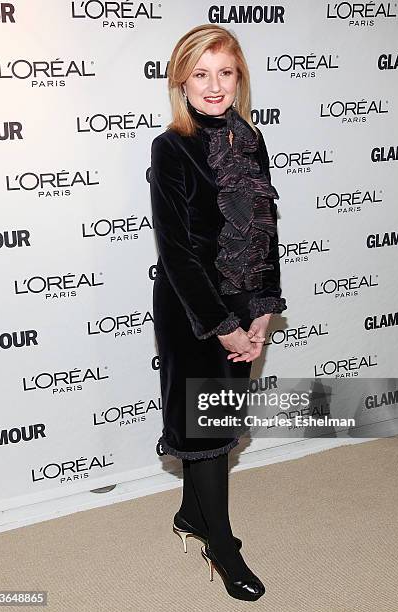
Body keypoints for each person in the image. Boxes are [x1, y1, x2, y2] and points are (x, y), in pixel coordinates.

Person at [149, 24, 287, 601]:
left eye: (224, 72)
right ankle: (222, 545)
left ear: (239, 78)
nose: (213, 85)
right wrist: (223, 326)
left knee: (221, 424)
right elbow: (176, 252)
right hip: (194, 310)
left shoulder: (251, 141)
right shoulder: (170, 148)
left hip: (244, 306)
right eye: (200, 73)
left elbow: (266, 230)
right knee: (206, 425)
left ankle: (190, 513)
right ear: (182, 80)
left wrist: (260, 313)